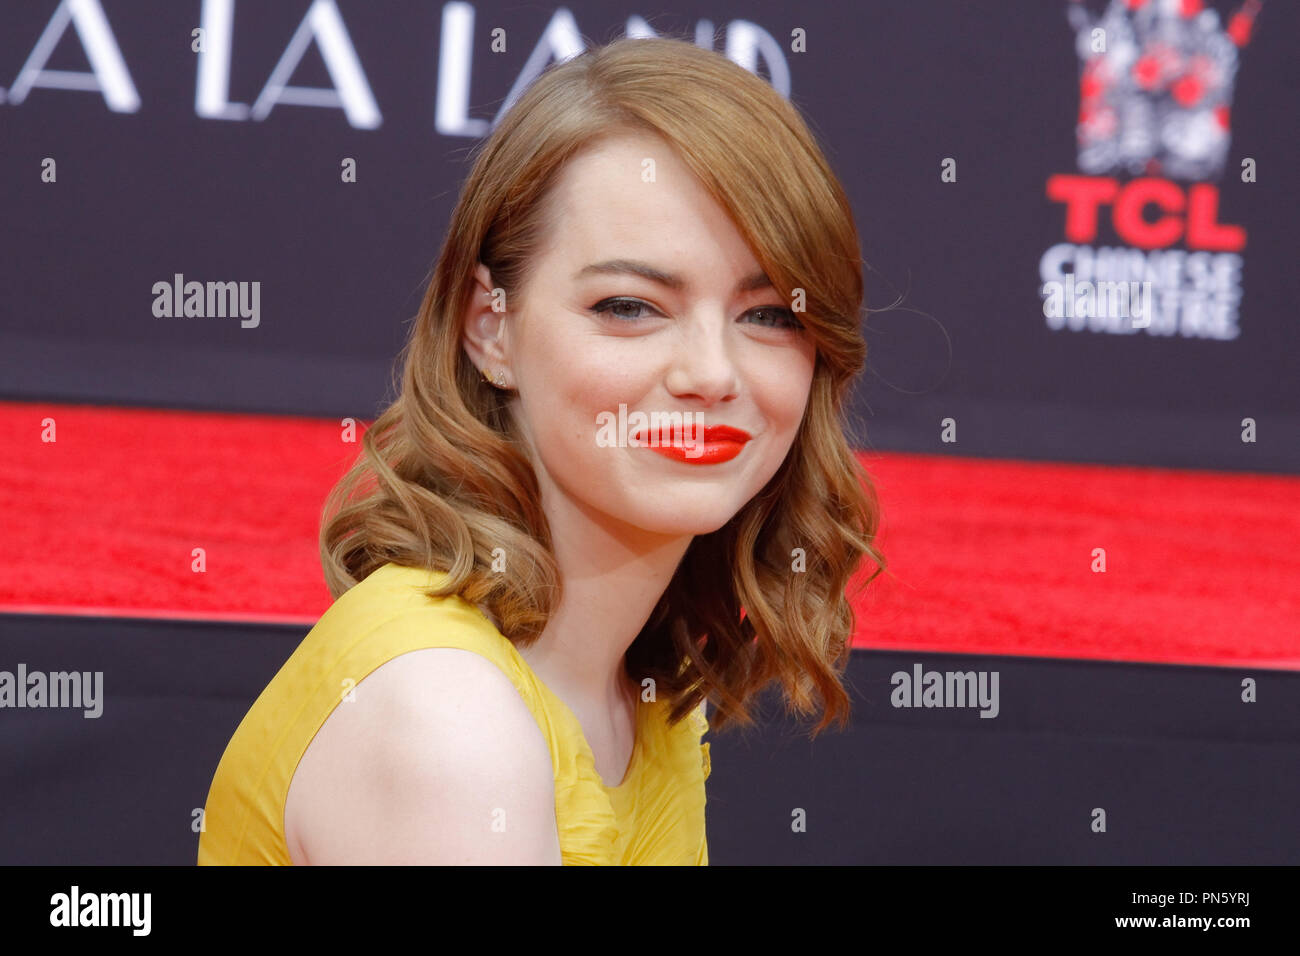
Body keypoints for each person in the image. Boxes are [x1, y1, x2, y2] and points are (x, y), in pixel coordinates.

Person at [197, 33, 884, 866]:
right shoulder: (450, 719)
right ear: (491, 327)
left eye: (769, 315)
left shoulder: (644, 695)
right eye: (630, 307)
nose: (711, 372)